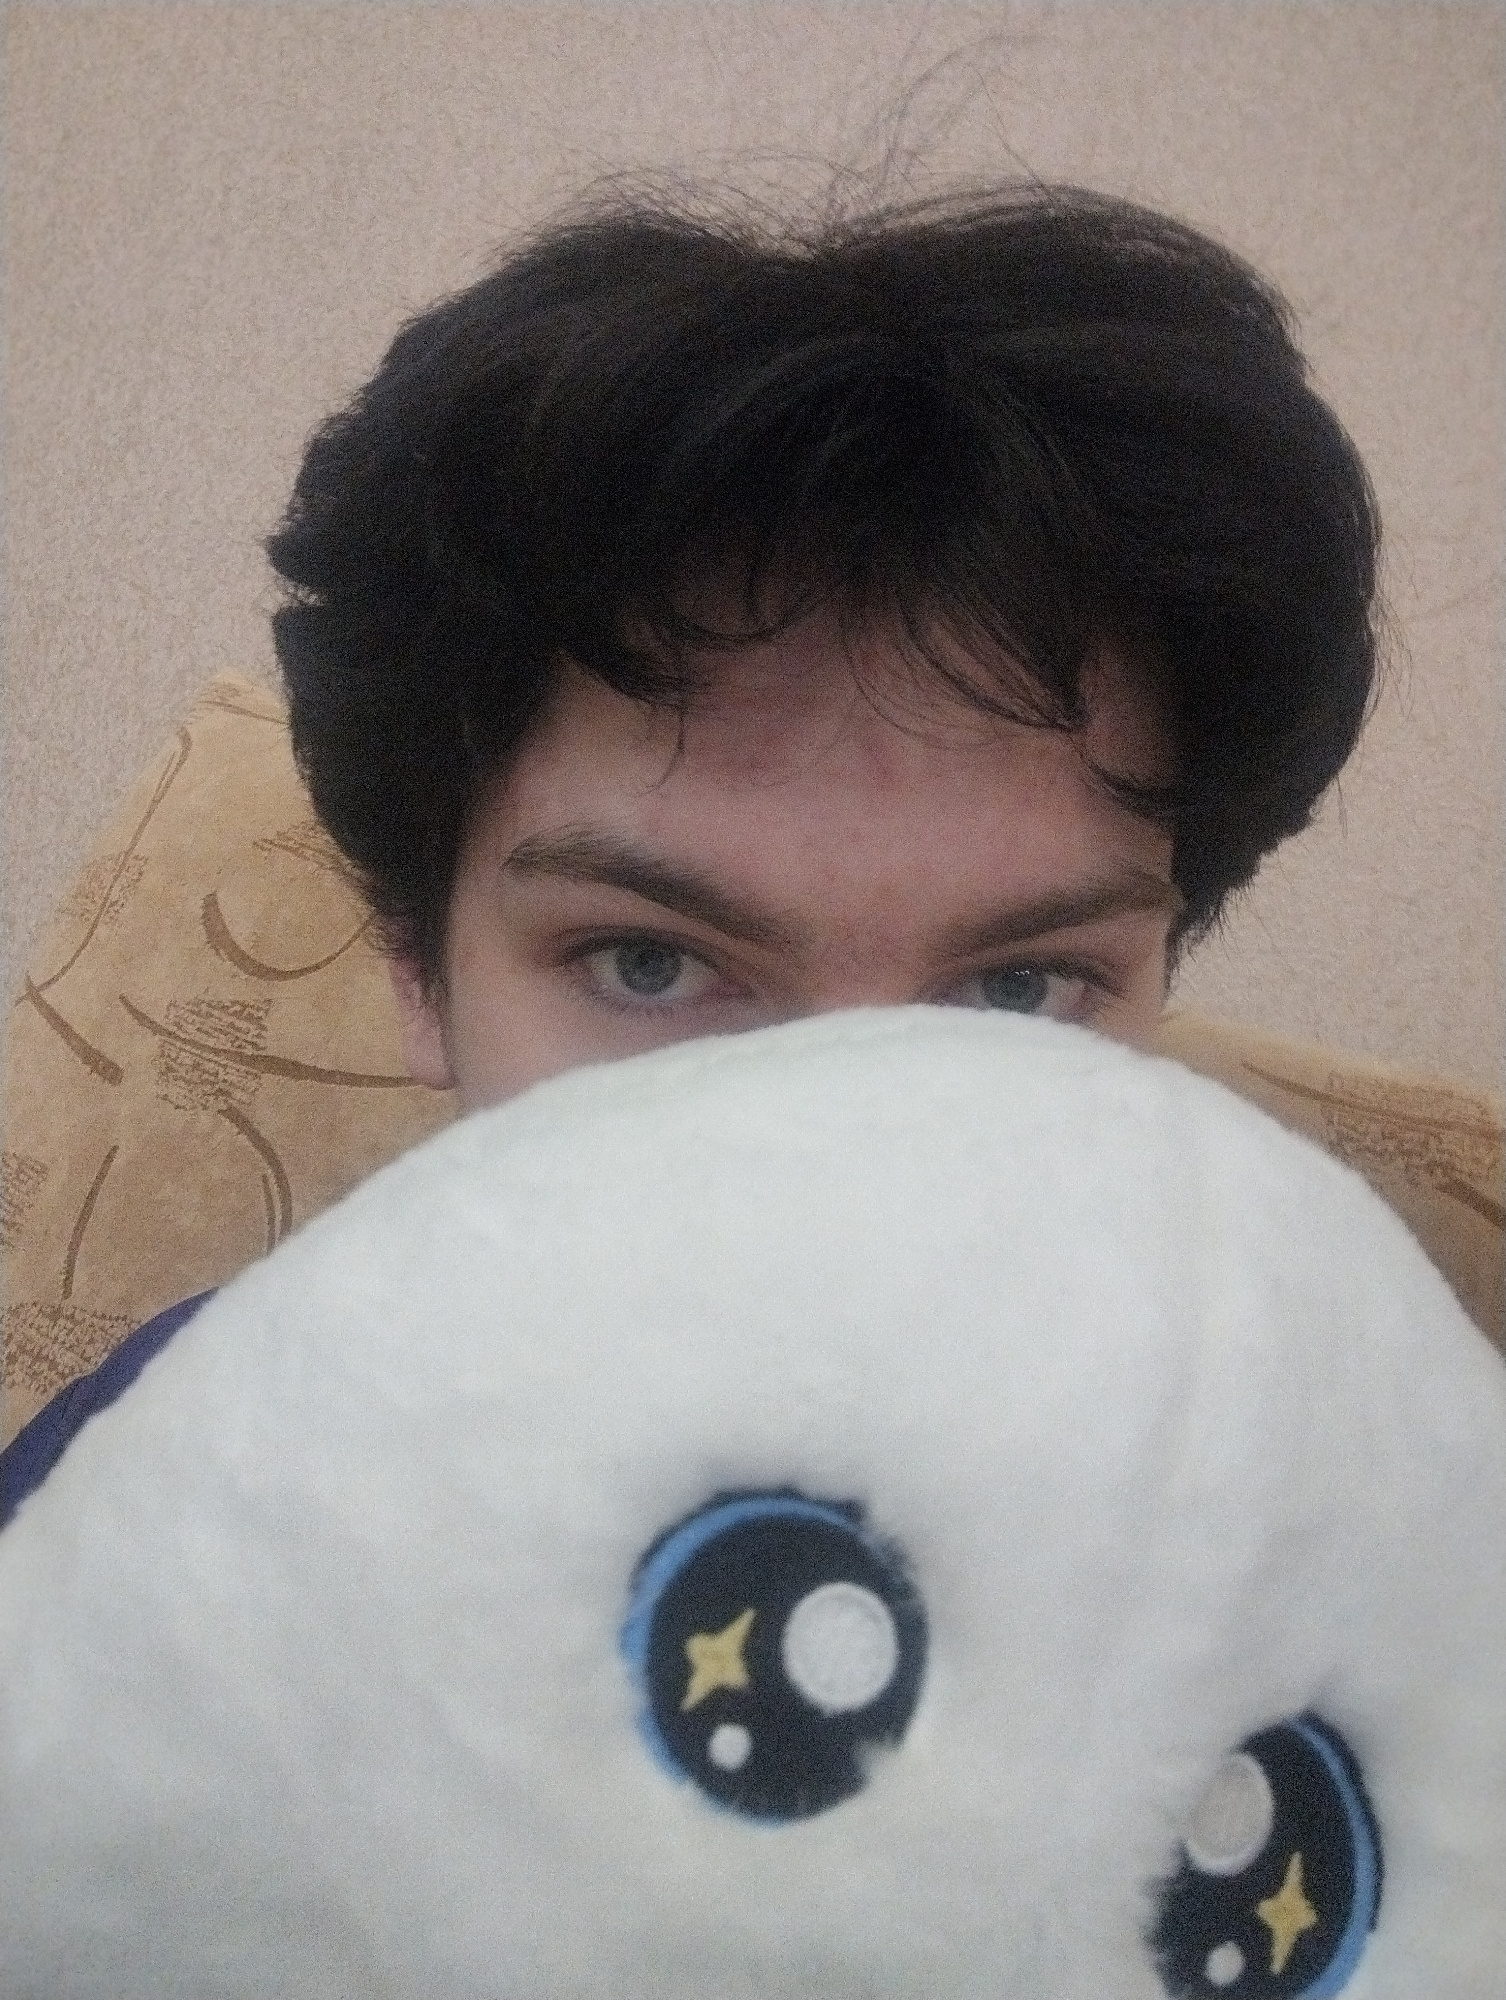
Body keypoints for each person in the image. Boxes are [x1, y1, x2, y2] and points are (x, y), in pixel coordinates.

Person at [0, 178, 1381, 1522]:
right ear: (420, 969)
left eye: (1015, 991)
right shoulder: (166, 1487)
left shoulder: (1336, 1549)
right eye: (650, 965)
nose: (843, 1191)